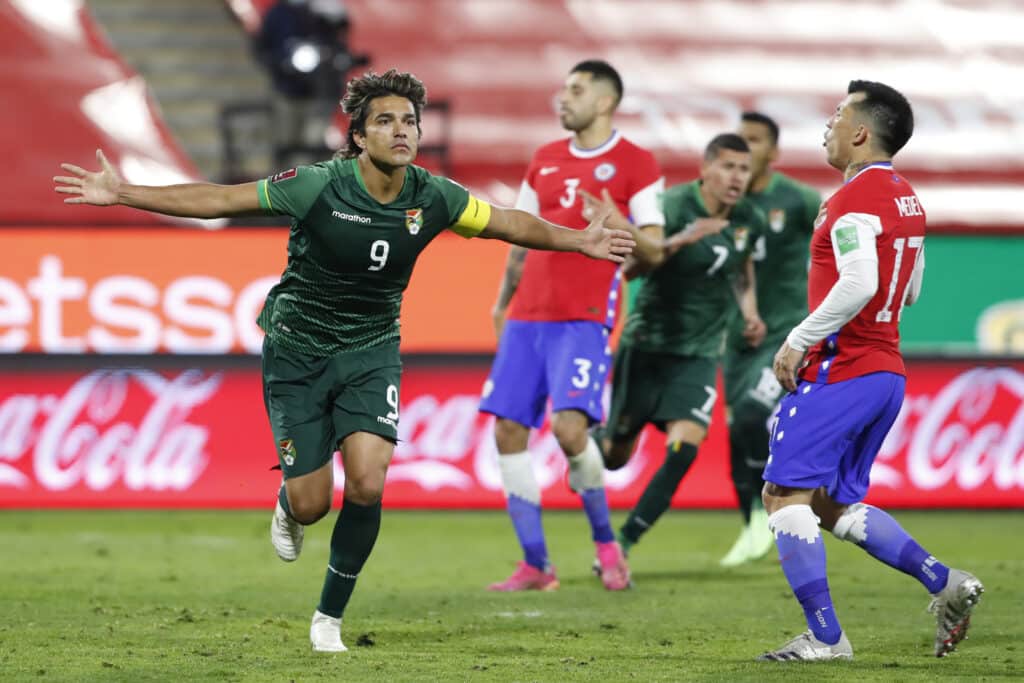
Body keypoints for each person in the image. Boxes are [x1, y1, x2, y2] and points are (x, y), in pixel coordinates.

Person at [53, 69, 634, 653]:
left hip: (371, 352)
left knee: (369, 479)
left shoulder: (433, 196)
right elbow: (219, 199)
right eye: (385, 121)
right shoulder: (316, 186)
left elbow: (509, 222)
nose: (401, 130)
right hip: (297, 353)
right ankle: (288, 503)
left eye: (409, 121)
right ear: (358, 137)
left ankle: (328, 618)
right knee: (312, 504)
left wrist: (577, 239)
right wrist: (124, 192)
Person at [757, 80, 982, 661]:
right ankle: (945, 581)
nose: (827, 124)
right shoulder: (907, 197)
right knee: (828, 504)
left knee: (783, 497)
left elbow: (862, 281)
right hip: (886, 372)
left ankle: (827, 638)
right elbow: (911, 290)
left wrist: (797, 340)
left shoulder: (851, 201)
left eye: (837, 114)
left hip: (842, 369)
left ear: (860, 132)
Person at [481, 60, 665, 592]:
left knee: (569, 430)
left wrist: (621, 221)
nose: (564, 98)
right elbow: (520, 231)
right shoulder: (545, 159)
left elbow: (655, 248)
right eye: (564, 88)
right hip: (526, 317)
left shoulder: (636, 163)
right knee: (507, 430)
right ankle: (536, 564)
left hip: (583, 319)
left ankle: (608, 547)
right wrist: (502, 303)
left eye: (577, 90)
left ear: (605, 101)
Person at [592, 133, 768, 559]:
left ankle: (625, 540)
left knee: (685, 445)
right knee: (615, 457)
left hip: (700, 354)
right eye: (728, 167)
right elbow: (632, 271)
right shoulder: (670, 208)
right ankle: (586, 440)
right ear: (704, 169)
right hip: (647, 346)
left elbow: (742, 269)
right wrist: (681, 240)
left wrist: (750, 311)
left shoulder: (748, 219)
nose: (736, 178)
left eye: (743, 169)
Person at [718, 113, 822, 567]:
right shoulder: (720, 202)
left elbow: (829, 254)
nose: (744, 146)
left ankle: (771, 512)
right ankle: (749, 525)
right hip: (735, 336)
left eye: (754, 140)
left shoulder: (798, 200)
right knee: (734, 428)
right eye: (739, 138)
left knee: (750, 414)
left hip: (784, 332)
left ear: (773, 152)